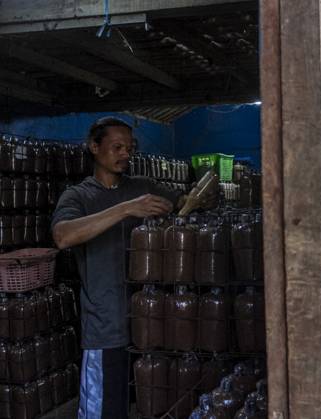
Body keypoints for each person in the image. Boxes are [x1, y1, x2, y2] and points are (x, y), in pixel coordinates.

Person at [51, 117, 196, 418]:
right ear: (94, 147)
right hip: (107, 325)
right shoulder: (78, 196)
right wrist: (127, 208)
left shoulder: (142, 186)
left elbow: (182, 202)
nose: (125, 155)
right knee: (103, 408)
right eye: (117, 147)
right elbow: (63, 236)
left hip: (149, 320)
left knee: (144, 403)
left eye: (129, 149)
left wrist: (196, 198)